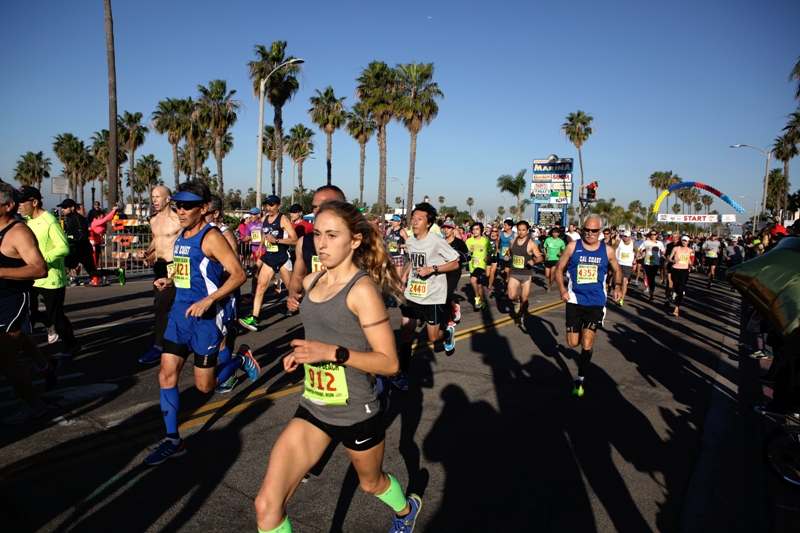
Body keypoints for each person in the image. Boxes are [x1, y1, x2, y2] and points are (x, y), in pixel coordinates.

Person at [254, 200, 421, 533]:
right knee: (266, 506)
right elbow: (322, 334)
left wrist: (332, 352)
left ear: (355, 240)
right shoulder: (313, 280)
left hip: (355, 412)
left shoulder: (362, 291)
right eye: (317, 234)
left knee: (371, 484)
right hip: (314, 405)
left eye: (332, 235)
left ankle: (406, 509)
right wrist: (304, 353)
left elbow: (389, 363)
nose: (322, 243)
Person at [144, 181, 254, 465]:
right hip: (179, 315)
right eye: (177, 205)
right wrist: (170, 279)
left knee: (206, 387)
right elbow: (188, 271)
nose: (180, 210)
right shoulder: (182, 235)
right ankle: (174, 441)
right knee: (166, 375)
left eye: (187, 206)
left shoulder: (211, 236)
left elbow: (239, 274)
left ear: (203, 208)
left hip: (205, 319)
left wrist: (209, 300)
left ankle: (240, 359)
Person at [0, 182, 57, 424]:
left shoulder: (18, 232)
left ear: (8, 205)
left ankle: (35, 405)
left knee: (3, 358)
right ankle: (40, 367)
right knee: (15, 343)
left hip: (11, 300)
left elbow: (39, 268)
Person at [555, 214, 622, 396]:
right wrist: (562, 290)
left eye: (594, 230)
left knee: (586, 341)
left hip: (596, 302)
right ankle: (585, 347)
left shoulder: (607, 251)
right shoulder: (572, 247)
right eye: (587, 230)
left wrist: (617, 286)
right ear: (582, 229)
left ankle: (580, 379)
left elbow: (617, 270)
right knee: (572, 343)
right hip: (575, 301)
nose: (590, 233)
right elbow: (559, 269)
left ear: (600, 231)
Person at [397, 203, 460, 389]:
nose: (415, 222)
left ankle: (447, 333)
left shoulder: (436, 240)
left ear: (428, 222)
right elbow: (413, 260)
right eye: (413, 218)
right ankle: (403, 375)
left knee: (433, 338)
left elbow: (455, 263)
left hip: (433, 295)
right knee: (407, 333)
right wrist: (405, 275)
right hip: (413, 294)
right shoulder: (410, 241)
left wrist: (433, 268)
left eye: (420, 219)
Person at [17, 186, 81, 358]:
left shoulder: (49, 221)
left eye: (22, 201)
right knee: (23, 310)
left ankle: (72, 344)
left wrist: (40, 257)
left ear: (34, 202)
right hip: (31, 276)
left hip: (51, 277)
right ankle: (45, 322)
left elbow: (63, 248)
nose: (19, 205)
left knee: (57, 316)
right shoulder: (27, 221)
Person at [137, 186, 183, 365]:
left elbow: (181, 243)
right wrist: (146, 252)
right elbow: (156, 240)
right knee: (163, 307)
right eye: (153, 196)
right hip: (159, 266)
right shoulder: (153, 220)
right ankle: (172, 339)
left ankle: (159, 346)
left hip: (174, 266)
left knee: (161, 306)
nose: (154, 199)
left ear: (168, 199)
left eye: (158, 197)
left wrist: (179, 269)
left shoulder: (177, 220)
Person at [239, 195, 297, 330]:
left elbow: (295, 239)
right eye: (267, 205)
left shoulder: (283, 220)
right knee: (260, 286)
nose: (269, 208)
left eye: (271, 205)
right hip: (269, 257)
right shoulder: (264, 219)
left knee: (291, 289)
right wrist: (260, 248)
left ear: (278, 206)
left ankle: (303, 309)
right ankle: (254, 318)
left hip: (282, 257)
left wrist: (277, 241)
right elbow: (264, 235)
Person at [286, 185, 347, 313]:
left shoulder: (355, 242)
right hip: (315, 314)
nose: (318, 211)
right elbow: (297, 277)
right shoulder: (304, 242)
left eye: (324, 205)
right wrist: (292, 294)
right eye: (315, 206)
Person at [59, 198, 126, 287]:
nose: (62, 210)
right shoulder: (69, 218)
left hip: (82, 250)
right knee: (92, 272)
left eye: (64, 207)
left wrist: (71, 240)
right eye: (62, 208)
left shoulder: (78, 218)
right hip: (75, 249)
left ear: (72, 208)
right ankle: (117, 272)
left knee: (63, 266)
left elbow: (83, 235)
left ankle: (52, 289)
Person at [506, 220, 543, 327]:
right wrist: (507, 255)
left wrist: (534, 261)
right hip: (514, 273)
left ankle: (521, 316)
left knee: (525, 298)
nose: (521, 232)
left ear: (527, 231)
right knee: (511, 295)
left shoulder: (531, 244)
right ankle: (517, 302)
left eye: (523, 230)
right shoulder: (512, 241)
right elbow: (509, 250)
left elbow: (540, 257)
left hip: (526, 274)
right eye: (519, 230)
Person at [442, 220, 468, 325]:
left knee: (447, 294)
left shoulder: (459, 243)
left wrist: (459, 258)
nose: (446, 230)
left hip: (454, 272)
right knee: (443, 296)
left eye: (448, 228)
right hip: (443, 271)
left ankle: (455, 307)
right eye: (444, 228)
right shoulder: (441, 242)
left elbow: (468, 257)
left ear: (453, 229)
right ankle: (450, 316)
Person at [465, 222, 491, 311]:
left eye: (477, 229)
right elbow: (465, 254)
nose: (475, 231)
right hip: (472, 265)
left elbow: (491, 250)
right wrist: (469, 252)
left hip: (481, 264)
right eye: (473, 229)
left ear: (481, 230)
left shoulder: (485, 241)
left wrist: (488, 256)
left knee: (473, 280)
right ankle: (483, 301)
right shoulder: (469, 241)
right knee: (478, 284)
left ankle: (477, 298)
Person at [667, 236, 692, 316]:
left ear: (688, 242)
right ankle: (676, 293)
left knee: (681, 289)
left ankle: (676, 308)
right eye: (683, 241)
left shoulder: (690, 250)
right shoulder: (676, 249)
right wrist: (673, 261)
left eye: (686, 241)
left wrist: (692, 264)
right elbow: (669, 259)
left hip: (684, 271)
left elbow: (690, 260)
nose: (684, 242)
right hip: (675, 269)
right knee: (676, 286)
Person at [612, 230, 638, 306]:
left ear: (630, 237)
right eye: (624, 236)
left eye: (627, 236)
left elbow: (638, 251)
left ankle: (622, 299)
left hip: (628, 264)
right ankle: (617, 293)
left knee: (624, 281)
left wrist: (635, 259)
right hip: (619, 263)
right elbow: (611, 249)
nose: (625, 238)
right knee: (617, 282)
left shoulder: (632, 244)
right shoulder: (619, 242)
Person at [639, 230, 666, 301]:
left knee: (652, 277)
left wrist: (663, 256)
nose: (653, 236)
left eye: (654, 234)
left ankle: (651, 292)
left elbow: (663, 251)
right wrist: (642, 254)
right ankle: (651, 290)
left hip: (656, 263)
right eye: (651, 234)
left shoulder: (659, 243)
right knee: (649, 277)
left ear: (657, 235)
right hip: (647, 262)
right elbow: (641, 249)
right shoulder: (646, 242)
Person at [542, 227, 566, 292]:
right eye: (553, 232)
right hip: (548, 259)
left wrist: (560, 254)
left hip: (556, 259)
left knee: (552, 273)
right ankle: (552, 279)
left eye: (556, 233)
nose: (554, 234)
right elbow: (544, 248)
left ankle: (550, 286)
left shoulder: (561, 242)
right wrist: (545, 254)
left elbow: (564, 250)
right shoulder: (548, 240)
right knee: (547, 275)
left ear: (558, 233)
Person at [497, 219, 516, 298]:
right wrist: (497, 249)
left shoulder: (515, 235)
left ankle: (505, 291)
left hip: (510, 256)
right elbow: (497, 241)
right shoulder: (501, 233)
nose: (503, 226)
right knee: (503, 273)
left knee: (506, 271)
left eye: (505, 225)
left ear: (510, 226)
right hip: (501, 256)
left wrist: (509, 253)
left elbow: (516, 245)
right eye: (503, 225)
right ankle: (509, 281)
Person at [386, 214, 409, 279]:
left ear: (399, 222)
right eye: (392, 220)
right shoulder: (390, 231)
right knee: (391, 277)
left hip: (399, 256)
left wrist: (399, 245)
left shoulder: (402, 231)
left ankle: (399, 288)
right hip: (391, 255)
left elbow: (409, 243)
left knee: (398, 278)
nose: (393, 222)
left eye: (395, 221)